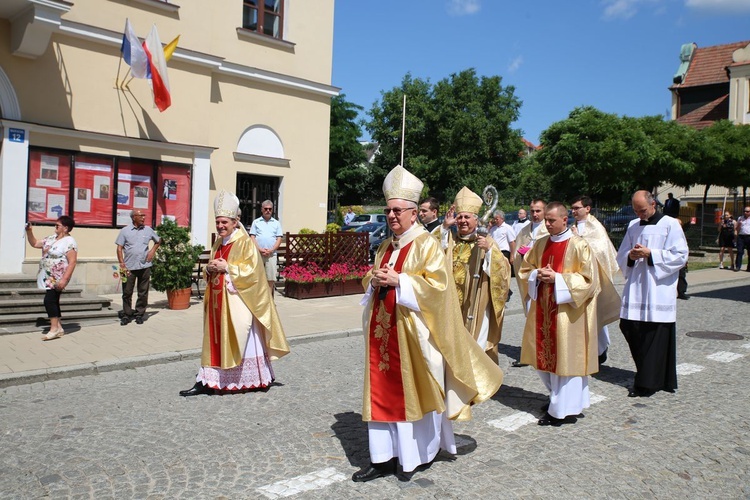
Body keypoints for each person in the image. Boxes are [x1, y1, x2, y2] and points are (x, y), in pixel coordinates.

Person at [354, 166, 503, 482]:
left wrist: (402, 282)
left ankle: (414, 457)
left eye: (398, 211)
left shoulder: (426, 244)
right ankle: (382, 459)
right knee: (382, 394)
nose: (392, 216)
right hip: (384, 334)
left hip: (416, 338)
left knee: (415, 394)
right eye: (389, 210)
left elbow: (439, 289)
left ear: (413, 214)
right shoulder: (384, 246)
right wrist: (374, 278)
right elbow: (372, 278)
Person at [518, 202, 619, 426]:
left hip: (568, 316)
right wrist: (536, 274)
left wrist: (559, 279)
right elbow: (525, 270)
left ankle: (561, 411)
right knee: (544, 360)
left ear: (565, 220)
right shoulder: (541, 244)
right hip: (543, 311)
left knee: (566, 361)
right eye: (546, 220)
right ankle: (558, 400)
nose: (548, 224)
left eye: (552, 220)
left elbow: (589, 281)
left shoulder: (579, 245)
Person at [180, 191, 289, 396]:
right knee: (213, 340)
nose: (220, 226)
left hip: (239, 303)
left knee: (243, 338)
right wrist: (209, 269)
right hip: (217, 302)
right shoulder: (218, 242)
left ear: (234, 221)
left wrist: (228, 268)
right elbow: (214, 266)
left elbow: (254, 272)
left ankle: (255, 379)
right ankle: (206, 380)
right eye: (217, 222)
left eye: (224, 222)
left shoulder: (244, 241)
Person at [617, 190, 688, 397]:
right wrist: (631, 255)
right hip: (636, 287)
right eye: (636, 210)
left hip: (658, 288)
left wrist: (651, 254)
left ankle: (646, 383)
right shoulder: (632, 226)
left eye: (643, 210)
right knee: (629, 326)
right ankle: (651, 375)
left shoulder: (670, 224)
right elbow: (621, 254)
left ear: (653, 205)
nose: (640, 214)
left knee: (654, 334)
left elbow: (680, 255)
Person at [439, 188, 511, 363]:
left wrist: (488, 252)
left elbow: (504, 271)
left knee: (474, 350)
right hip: (451, 305)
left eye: (467, 217)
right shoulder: (450, 238)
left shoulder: (486, 241)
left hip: (476, 306)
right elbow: (432, 253)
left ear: (476, 219)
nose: (462, 221)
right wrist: (444, 227)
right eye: (459, 217)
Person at [570, 195, 622, 364]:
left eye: (577, 208)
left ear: (587, 208)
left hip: (596, 279)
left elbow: (599, 250)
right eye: (573, 208)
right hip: (579, 278)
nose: (574, 211)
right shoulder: (574, 226)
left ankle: (600, 351)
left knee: (596, 315)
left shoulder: (596, 227)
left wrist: (578, 238)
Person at [25, 217, 78, 341]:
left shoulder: (69, 241)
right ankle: (58, 327)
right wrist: (29, 231)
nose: (55, 227)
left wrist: (65, 279)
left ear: (65, 228)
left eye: (57, 225)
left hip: (58, 276)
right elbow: (35, 243)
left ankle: (53, 328)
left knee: (49, 300)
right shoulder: (51, 238)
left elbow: (72, 262)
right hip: (47, 275)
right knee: (54, 300)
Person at [511, 199, 548, 367]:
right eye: (532, 210)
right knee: (530, 318)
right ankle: (530, 352)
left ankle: (545, 351)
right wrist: (521, 255)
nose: (534, 214)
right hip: (529, 280)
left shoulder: (549, 229)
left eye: (538, 211)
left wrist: (532, 253)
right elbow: (517, 254)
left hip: (544, 281)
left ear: (545, 211)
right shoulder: (525, 231)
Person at [115, 210, 161, 325]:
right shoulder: (125, 231)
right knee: (127, 292)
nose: (143, 218)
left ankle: (140, 314)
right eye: (141, 216)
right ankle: (126, 314)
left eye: (144, 215)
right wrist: (122, 264)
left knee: (143, 292)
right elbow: (119, 248)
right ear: (134, 217)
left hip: (145, 265)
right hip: (128, 267)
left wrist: (152, 251)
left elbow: (158, 240)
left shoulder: (148, 230)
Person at [249, 200, 283, 294]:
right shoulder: (256, 222)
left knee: (270, 278)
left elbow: (279, 238)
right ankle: (258, 300)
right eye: (265, 209)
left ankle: (269, 301)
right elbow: (252, 237)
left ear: (272, 210)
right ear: (262, 209)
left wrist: (271, 250)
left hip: (271, 254)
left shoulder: (276, 223)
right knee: (257, 276)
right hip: (258, 254)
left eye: (270, 209)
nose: (268, 210)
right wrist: (260, 249)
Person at [735, 206, 750, 272]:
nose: (745, 212)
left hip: (749, 236)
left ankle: (749, 267)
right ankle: (738, 266)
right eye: (744, 211)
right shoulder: (740, 218)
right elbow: (736, 229)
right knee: (739, 251)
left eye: (747, 211)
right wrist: (739, 224)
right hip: (741, 236)